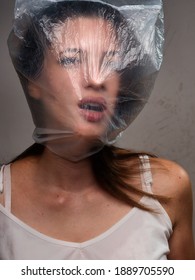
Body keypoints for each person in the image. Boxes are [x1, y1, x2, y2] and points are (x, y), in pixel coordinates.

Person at [0, 0, 194, 259]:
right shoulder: (4, 201)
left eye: (111, 62)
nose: (96, 78)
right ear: (33, 78)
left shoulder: (166, 189)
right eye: (71, 59)